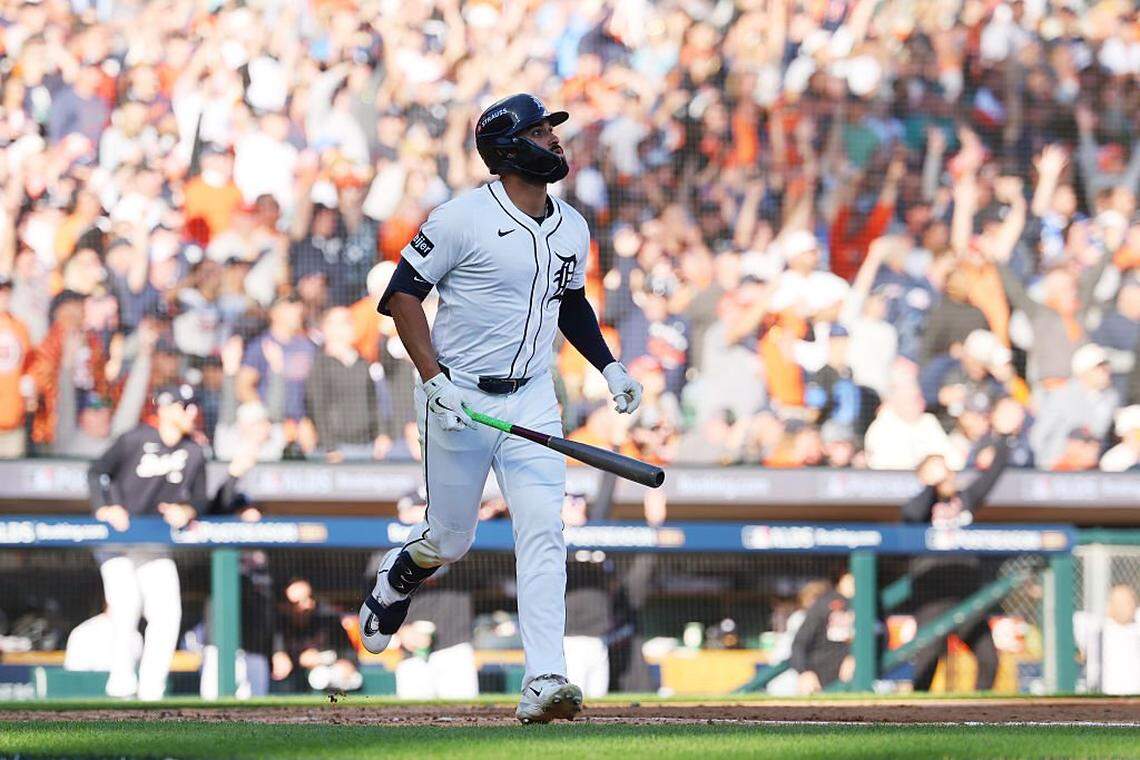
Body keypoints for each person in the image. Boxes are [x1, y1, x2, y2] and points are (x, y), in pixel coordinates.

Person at [358, 94, 642, 724]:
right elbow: (402, 299)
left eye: (554, 132)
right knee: (451, 538)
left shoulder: (572, 225)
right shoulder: (459, 218)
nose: (556, 141)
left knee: (544, 533)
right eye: (542, 133)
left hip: (534, 397)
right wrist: (434, 380)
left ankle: (544, 678)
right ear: (509, 148)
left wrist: (610, 365)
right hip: (459, 397)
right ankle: (402, 573)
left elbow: (570, 304)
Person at [87, 384, 207, 700]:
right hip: (118, 541)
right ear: (166, 409)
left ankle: (152, 689)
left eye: (194, 406)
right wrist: (105, 506)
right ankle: (121, 685)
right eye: (185, 406)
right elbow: (98, 471)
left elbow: (201, 498)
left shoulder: (195, 451)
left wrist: (188, 509)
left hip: (154, 543)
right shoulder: (135, 439)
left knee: (167, 611)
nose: (192, 412)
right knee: (125, 604)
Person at [900, 402, 1021, 692]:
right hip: (933, 596)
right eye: (937, 473)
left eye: (947, 472)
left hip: (966, 594)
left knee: (988, 659)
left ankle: (978, 717)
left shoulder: (964, 498)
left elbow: (992, 474)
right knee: (927, 663)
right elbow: (914, 514)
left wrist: (1003, 437)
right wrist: (932, 484)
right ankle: (913, 719)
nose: (946, 477)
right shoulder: (919, 504)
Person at [790, 572, 856, 695]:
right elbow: (799, 643)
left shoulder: (871, 603)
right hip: (820, 678)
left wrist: (855, 657)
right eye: (852, 577)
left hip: (853, 678)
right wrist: (804, 672)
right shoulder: (824, 604)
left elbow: (880, 637)